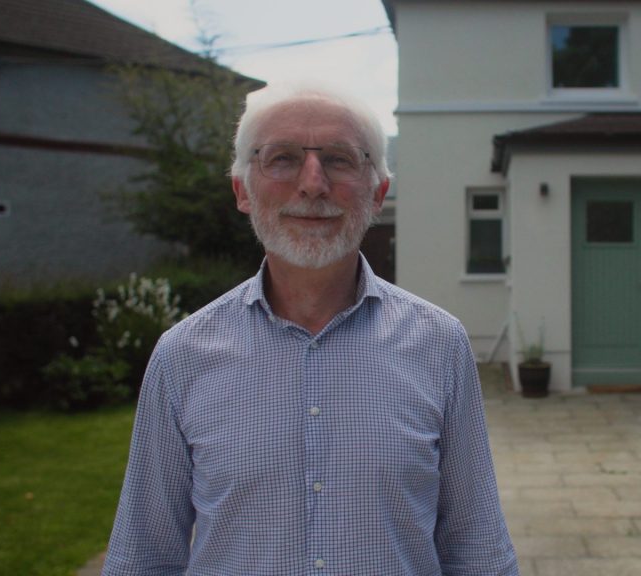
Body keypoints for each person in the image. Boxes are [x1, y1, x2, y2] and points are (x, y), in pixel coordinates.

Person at [102, 85, 518, 575]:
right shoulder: (182, 356)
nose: (313, 183)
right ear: (242, 191)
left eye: (340, 160)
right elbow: (144, 556)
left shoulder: (440, 345)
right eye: (282, 158)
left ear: (378, 193)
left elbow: (477, 550)